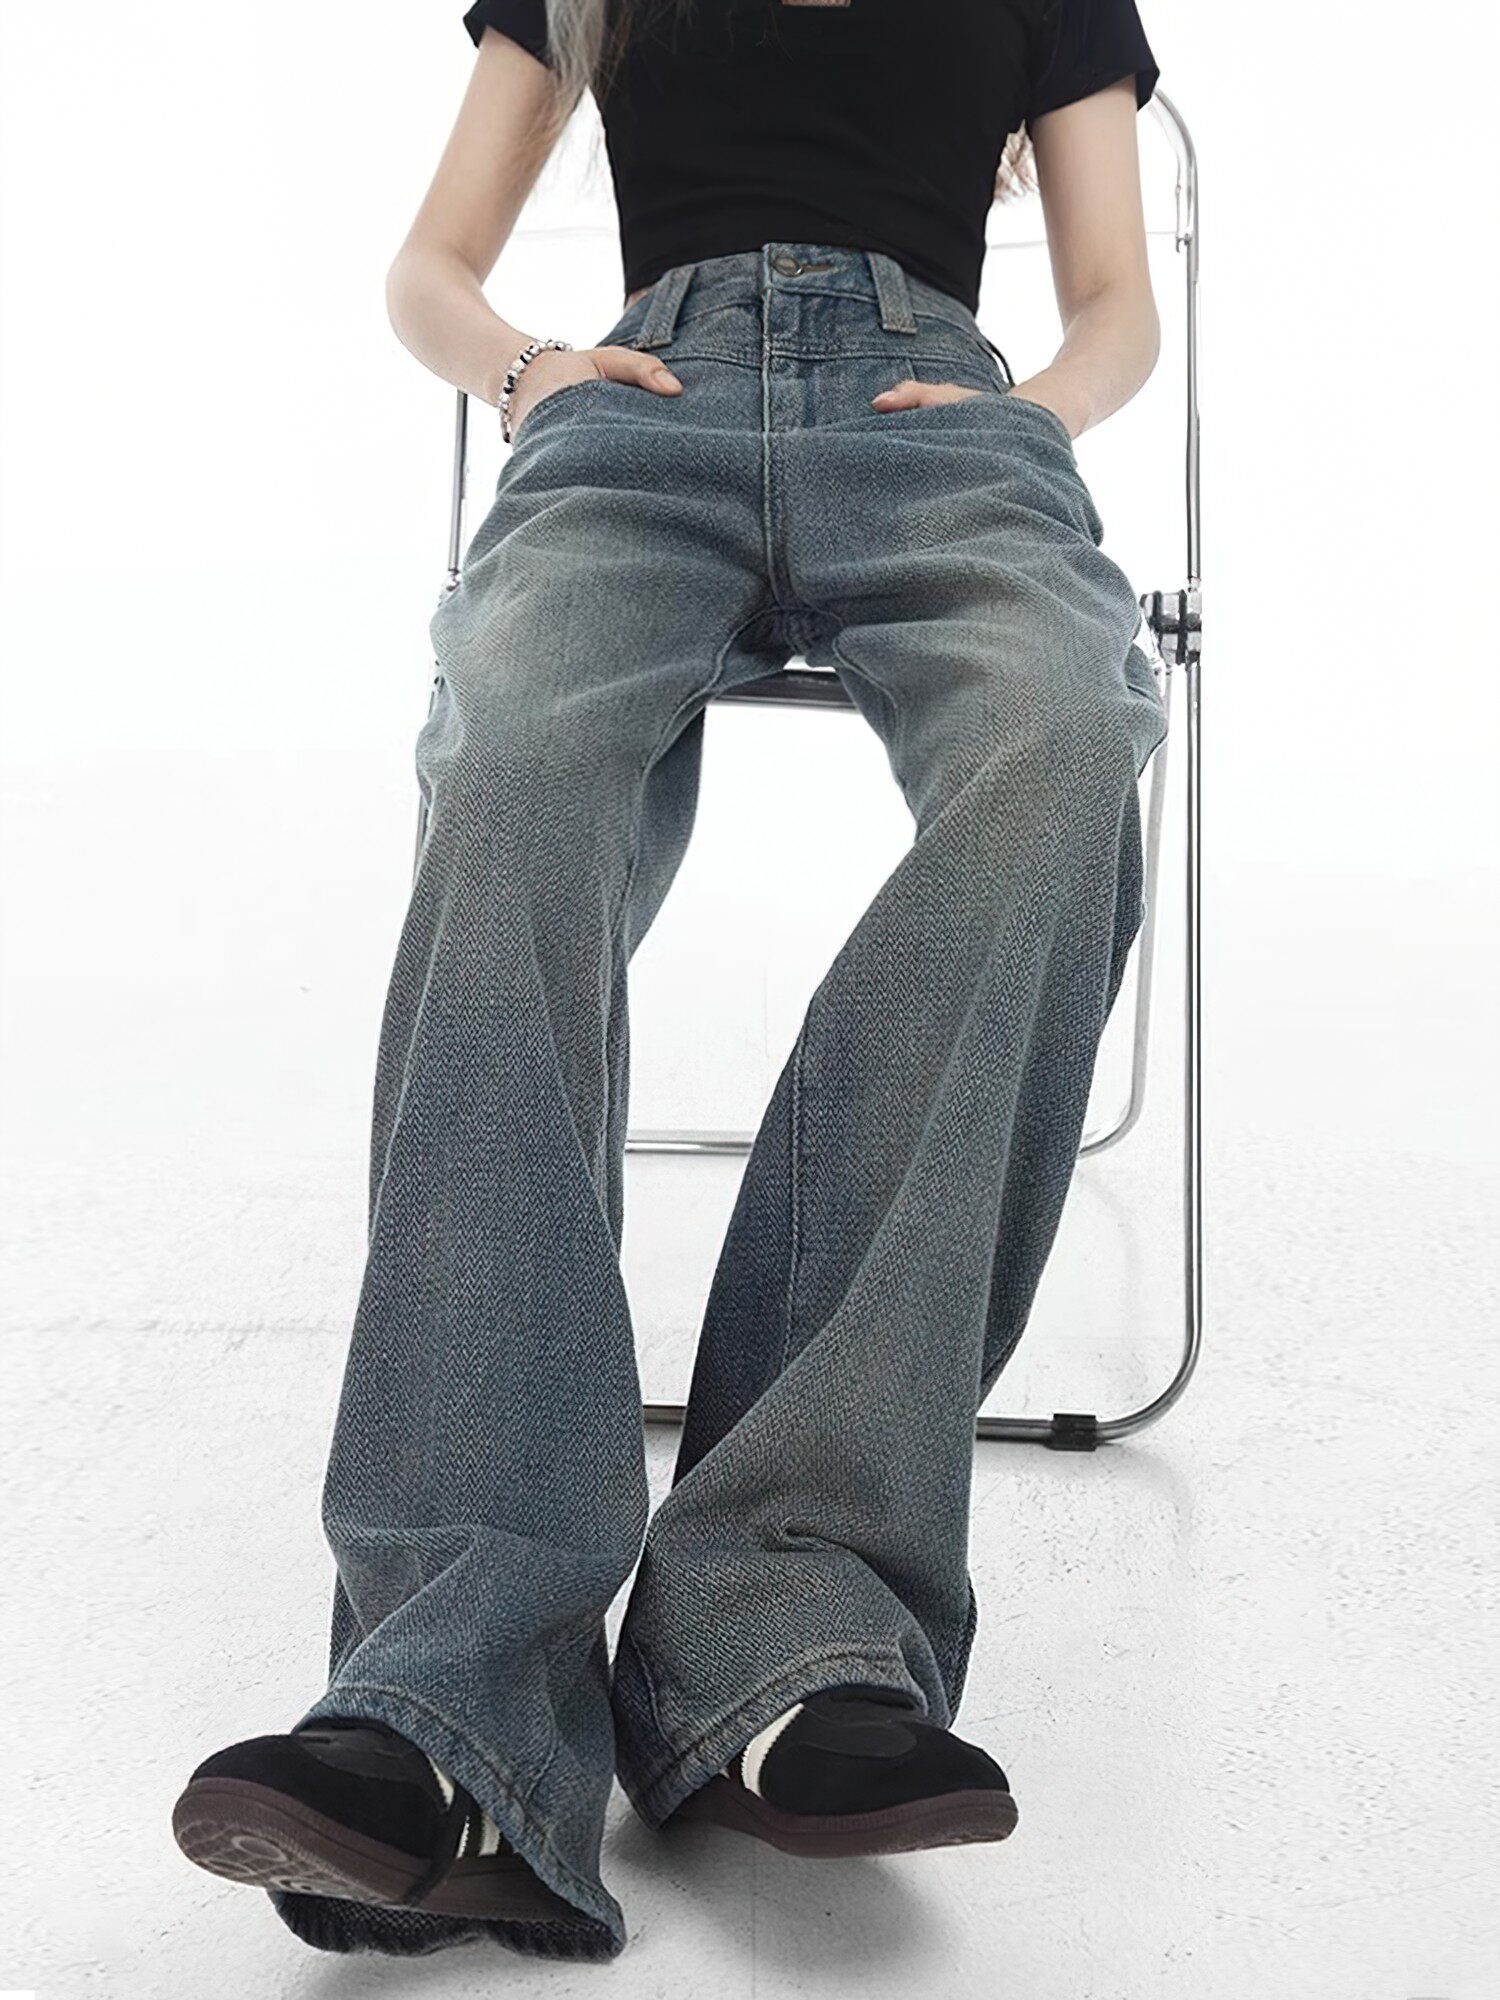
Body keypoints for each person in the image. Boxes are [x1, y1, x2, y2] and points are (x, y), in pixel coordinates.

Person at [171, 0, 1168, 1965]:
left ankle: (786, 1617)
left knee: (1066, 744)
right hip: (638, 415)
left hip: (942, 430)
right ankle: (449, 1697)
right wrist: (527, 368)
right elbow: (429, 265)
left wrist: (1037, 415)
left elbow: (1118, 298)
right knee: (512, 778)